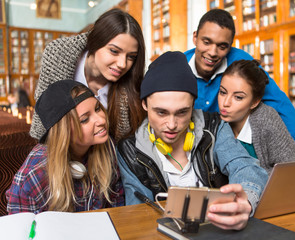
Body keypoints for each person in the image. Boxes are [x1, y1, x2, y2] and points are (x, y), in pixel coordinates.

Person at [117, 52, 268, 230]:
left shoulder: (214, 127)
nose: (172, 125)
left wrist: (245, 203)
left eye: (182, 112)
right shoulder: (129, 151)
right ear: (144, 105)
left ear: (193, 105)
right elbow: (138, 216)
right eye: (161, 112)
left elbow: (245, 166)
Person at [184, 9, 295, 158]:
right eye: (206, 42)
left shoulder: (240, 62)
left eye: (222, 46)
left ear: (230, 46)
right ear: (195, 37)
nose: (212, 52)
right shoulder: (177, 68)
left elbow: (278, 102)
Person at [6, 80, 124, 214]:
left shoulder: (109, 148)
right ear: (64, 132)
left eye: (97, 108)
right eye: (85, 119)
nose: (102, 120)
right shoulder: (33, 176)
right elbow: (20, 231)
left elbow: (117, 208)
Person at [30, 8, 146, 144]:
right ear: (95, 43)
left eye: (131, 57)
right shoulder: (58, 55)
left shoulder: (131, 81)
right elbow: (45, 114)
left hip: (106, 155)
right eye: (114, 51)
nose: (122, 64)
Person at [218, 60, 295, 174]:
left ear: (254, 102)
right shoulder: (214, 123)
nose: (225, 103)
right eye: (223, 92)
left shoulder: (266, 118)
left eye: (238, 97)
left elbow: (292, 169)